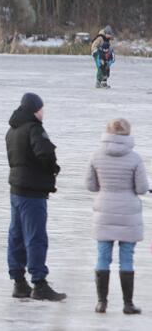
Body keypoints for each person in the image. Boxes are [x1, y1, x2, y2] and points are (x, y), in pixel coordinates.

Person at [6, 92, 66, 301]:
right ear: (34, 109)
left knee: (17, 234)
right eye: (41, 109)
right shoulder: (34, 129)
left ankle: (19, 282)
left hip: (17, 189)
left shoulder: (12, 130)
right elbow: (45, 153)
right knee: (35, 237)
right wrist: (52, 169)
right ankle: (39, 283)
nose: (43, 112)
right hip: (32, 192)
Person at [86, 118, 149, 314]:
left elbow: (90, 186)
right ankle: (128, 304)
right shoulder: (135, 158)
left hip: (104, 212)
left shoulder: (96, 156)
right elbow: (141, 188)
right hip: (128, 214)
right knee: (127, 258)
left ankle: (101, 303)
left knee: (102, 257)